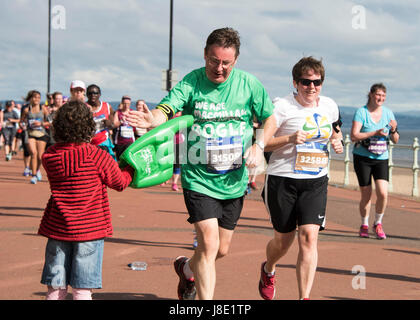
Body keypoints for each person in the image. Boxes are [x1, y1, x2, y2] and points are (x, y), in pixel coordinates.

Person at [127, 27, 277, 300]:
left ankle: (186, 268)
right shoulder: (192, 82)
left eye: (225, 63)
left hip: (233, 180)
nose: (219, 68)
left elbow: (270, 119)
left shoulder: (249, 85)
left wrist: (259, 144)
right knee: (208, 244)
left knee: (221, 250)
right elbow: (166, 109)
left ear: (236, 60)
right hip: (198, 177)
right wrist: (152, 121)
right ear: (205, 55)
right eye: (213, 60)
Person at [258, 56, 343, 300]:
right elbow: (263, 144)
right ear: (295, 82)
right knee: (283, 242)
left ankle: (304, 297)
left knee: (308, 237)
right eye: (306, 82)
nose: (312, 87)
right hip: (282, 179)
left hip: (315, 181)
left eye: (317, 82)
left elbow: (334, 130)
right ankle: (268, 268)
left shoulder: (329, 106)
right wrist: (289, 139)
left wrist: (336, 140)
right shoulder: (281, 107)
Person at [38, 100, 134, 300]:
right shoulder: (98, 156)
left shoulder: (49, 156)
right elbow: (120, 182)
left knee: (55, 288)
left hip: (58, 226)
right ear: (89, 127)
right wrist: (131, 169)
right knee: (82, 289)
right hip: (90, 228)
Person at [350, 83, 399, 240]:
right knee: (366, 194)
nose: (381, 98)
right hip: (362, 158)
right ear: (371, 94)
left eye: (383, 96)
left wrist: (392, 130)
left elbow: (395, 139)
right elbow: (354, 136)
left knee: (383, 193)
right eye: (378, 95)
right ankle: (364, 224)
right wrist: (374, 133)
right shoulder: (361, 113)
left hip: (381, 158)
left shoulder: (388, 113)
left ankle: (377, 223)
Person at [20, 90, 50, 184]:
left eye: (38, 97)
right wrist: (23, 125)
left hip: (41, 134)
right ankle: (33, 176)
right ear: (31, 99)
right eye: (34, 97)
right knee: (33, 153)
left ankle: (37, 170)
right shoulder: (26, 110)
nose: (36, 99)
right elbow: (21, 121)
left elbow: (50, 121)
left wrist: (41, 123)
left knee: (40, 156)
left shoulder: (43, 109)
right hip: (30, 133)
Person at [85, 84, 116, 160]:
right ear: (86, 95)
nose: (93, 95)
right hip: (88, 143)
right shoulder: (83, 107)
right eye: (90, 93)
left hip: (103, 142)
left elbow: (112, 125)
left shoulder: (107, 106)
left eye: (95, 93)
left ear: (99, 94)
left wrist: (109, 123)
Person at [113, 95, 135, 160]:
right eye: (124, 103)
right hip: (120, 141)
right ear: (122, 103)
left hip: (130, 140)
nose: (126, 105)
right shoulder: (118, 113)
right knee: (120, 159)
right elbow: (115, 124)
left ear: (130, 104)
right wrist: (121, 121)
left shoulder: (132, 112)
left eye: (128, 104)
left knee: (128, 159)